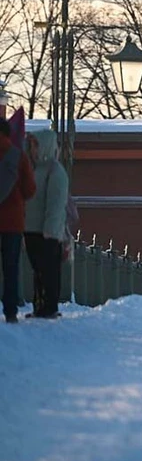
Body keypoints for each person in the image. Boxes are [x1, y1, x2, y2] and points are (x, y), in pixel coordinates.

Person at [24, 129, 69, 319]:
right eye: (31, 145)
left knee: (48, 270)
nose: (33, 149)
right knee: (38, 270)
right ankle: (39, 305)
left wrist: (51, 229)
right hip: (31, 228)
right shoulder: (34, 170)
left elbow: (56, 203)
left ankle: (49, 306)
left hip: (46, 232)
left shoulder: (54, 171)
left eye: (36, 145)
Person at [0, 118, 36, 324]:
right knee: (11, 267)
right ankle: (10, 311)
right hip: (12, 222)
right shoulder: (17, 156)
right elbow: (30, 189)